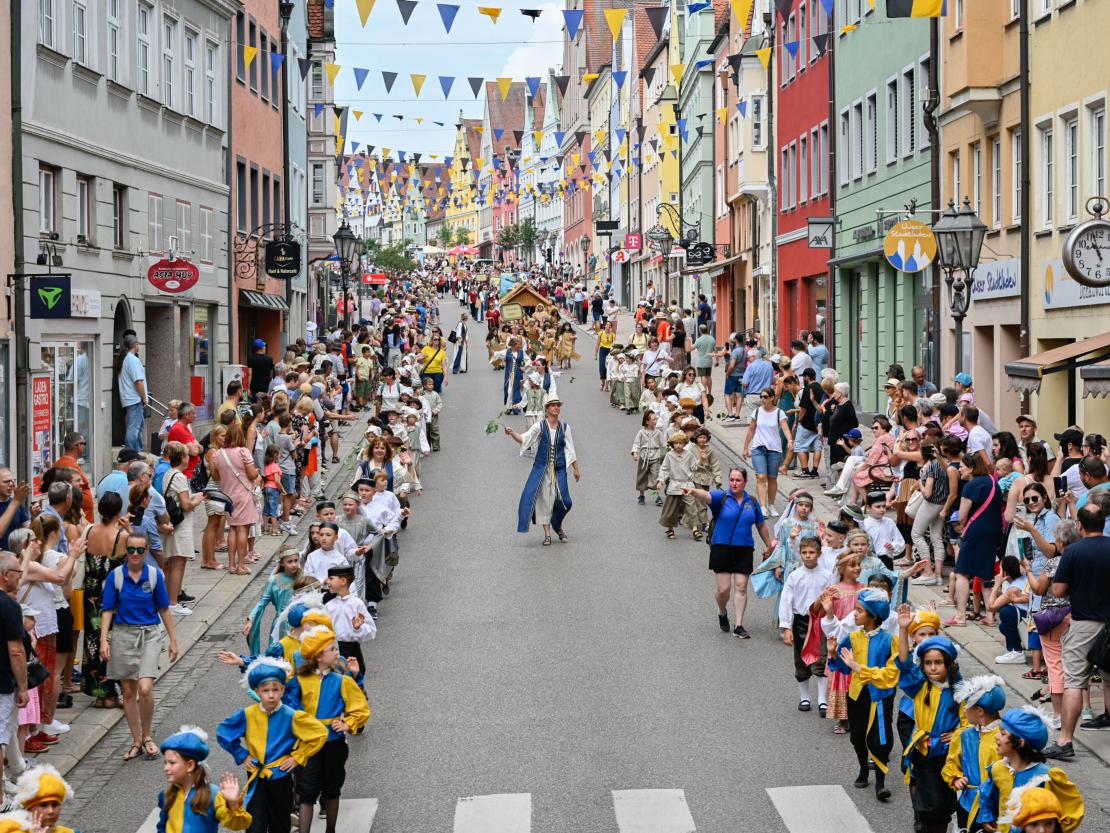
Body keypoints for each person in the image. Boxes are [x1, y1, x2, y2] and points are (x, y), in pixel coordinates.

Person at [216, 657, 328, 833]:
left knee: (280, 822)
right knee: (254, 824)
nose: (271, 695)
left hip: (280, 777)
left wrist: (298, 757)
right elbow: (223, 732)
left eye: (275, 690)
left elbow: (319, 733)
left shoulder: (292, 715)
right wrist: (242, 755)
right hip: (255, 776)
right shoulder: (247, 714)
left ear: (283, 690)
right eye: (265, 690)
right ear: (257, 691)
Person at [100, 530, 179, 761]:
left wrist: (173, 640)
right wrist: (104, 639)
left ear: (146, 551)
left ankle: (147, 735)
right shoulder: (115, 577)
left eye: (140, 550)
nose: (135, 554)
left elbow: (164, 608)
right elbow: (106, 610)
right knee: (127, 691)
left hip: (150, 634)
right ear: (126, 550)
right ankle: (136, 740)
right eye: (131, 549)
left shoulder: (154, 576)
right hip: (123, 634)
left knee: (145, 688)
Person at [283, 626, 370, 833]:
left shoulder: (342, 681)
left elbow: (360, 708)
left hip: (333, 743)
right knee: (306, 790)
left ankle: (330, 829)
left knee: (332, 789)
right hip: (308, 744)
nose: (337, 652)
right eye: (332, 649)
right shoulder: (299, 681)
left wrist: (348, 723)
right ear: (319, 656)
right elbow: (288, 706)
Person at [1045, 503, 1110, 759]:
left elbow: (1058, 590)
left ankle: (1065, 741)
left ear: (1080, 526)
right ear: (1103, 523)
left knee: (1074, 680)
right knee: (1108, 678)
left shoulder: (1072, 552)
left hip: (1084, 623)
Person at [826, 587, 898, 802]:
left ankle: (881, 781)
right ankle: (863, 770)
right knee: (857, 736)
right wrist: (832, 652)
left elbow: (892, 672)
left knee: (880, 737)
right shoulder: (852, 638)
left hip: (881, 695)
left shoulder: (889, 640)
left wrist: (861, 668)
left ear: (873, 615)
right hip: (857, 694)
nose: (855, 614)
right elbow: (844, 667)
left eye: (859, 610)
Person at [686, 468, 773, 639]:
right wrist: (693, 491)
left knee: (741, 587)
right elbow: (706, 496)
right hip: (721, 547)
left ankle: (739, 625)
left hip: (744, 548)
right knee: (723, 589)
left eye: (738, 480)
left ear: (745, 482)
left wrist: (769, 545)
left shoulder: (752, 502)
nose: (734, 483)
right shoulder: (722, 497)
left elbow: (761, 525)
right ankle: (722, 610)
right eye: (731, 479)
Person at [894, 632, 962, 833]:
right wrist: (903, 629)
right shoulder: (919, 685)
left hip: (947, 753)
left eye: (938, 662)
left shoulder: (959, 691)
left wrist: (957, 734)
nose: (933, 667)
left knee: (944, 802)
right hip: (924, 751)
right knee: (930, 804)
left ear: (949, 664)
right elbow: (905, 664)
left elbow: (969, 722)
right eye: (928, 663)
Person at [977, 707, 1084, 832]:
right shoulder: (998, 768)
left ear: (1020, 743)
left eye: (1002, 733)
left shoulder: (1045, 776)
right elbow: (987, 795)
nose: (996, 736)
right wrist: (987, 815)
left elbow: (1071, 809)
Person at [503, 394, 580, 546]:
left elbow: (571, 449)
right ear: (547, 409)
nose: (556, 407)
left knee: (566, 501)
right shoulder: (540, 426)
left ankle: (557, 524)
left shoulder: (565, 428)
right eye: (553, 405)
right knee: (545, 501)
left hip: (559, 469)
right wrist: (512, 433)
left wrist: (576, 469)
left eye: (558, 405)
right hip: (542, 469)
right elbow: (524, 439)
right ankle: (547, 534)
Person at [81, 492, 130, 709]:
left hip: (91, 591)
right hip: (111, 593)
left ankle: (99, 692)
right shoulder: (120, 536)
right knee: (111, 640)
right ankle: (111, 691)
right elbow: (133, 560)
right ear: (118, 511)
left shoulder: (90, 530)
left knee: (93, 641)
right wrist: (128, 529)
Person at [946, 453, 1004, 628]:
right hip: (994, 531)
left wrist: (955, 524)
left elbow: (962, 517)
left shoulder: (971, 486)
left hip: (976, 531)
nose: (960, 469)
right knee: (986, 574)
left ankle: (961, 616)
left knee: (962, 572)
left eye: (962, 466)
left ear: (971, 468)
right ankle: (990, 616)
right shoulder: (992, 482)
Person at [158, 725, 251, 833]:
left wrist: (233, 804)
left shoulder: (213, 794)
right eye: (165, 762)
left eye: (172, 763)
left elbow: (238, 825)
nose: (166, 768)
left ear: (190, 765)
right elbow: (162, 827)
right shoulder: (166, 795)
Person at [944, 675, 1006, 833]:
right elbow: (950, 764)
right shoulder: (963, 736)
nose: (963, 710)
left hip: (994, 805)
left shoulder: (1003, 738)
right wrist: (956, 777)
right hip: (967, 802)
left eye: (967, 705)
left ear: (979, 711)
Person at [778, 535, 832, 711]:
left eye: (812, 552)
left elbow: (833, 599)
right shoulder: (795, 576)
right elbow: (786, 601)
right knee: (801, 660)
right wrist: (786, 627)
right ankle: (805, 697)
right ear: (800, 554)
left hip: (821, 622)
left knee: (822, 658)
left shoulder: (827, 576)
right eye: (804, 552)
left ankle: (822, 699)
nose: (808, 555)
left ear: (819, 553)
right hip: (801, 622)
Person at [210, 423, 262, 576]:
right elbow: (252, 475)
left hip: (227, 495)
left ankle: (231, 565)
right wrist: (256, 473)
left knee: (232, 529)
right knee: (243, 529)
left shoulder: (217, 454)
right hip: (243, 494)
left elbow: (215, 476)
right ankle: (240, 566)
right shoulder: (243, 452)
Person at [0, 552, 29, 813]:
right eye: (18, 573)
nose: (21, 577)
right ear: (6, 575)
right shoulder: (8, 606)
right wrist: (23, 686)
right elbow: (16, 651)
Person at [742, 387, 792, 517]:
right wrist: (745, 447)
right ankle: (762, 506)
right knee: (761, 477)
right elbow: (751, 430)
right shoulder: (757, 412)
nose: (763, 399)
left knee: (772, 478)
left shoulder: (779, 413)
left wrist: (790, 440)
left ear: (772, 398)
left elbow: (786, 429)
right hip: (758, 448)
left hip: (774, 449)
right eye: (761, 397)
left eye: (765, 397)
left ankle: (771, 504)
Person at [117, 334, 149, 452]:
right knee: (134, 428)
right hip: (134, 399)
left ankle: (136, 450)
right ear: (135, 345)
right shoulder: (133, 360)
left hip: (128, 398)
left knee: (136, 426)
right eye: (138, 344)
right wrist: (144, 397)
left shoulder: (125, 359)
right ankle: (131, 452)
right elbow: (138, 382)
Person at [0, 471, 31, 552]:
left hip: (15, 556)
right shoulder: (16, 501)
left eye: (12, 481)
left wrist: (35, 516)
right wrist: (16, 500)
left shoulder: (17, 503)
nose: (11, 484)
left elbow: (28, 529)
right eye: (6, 482)